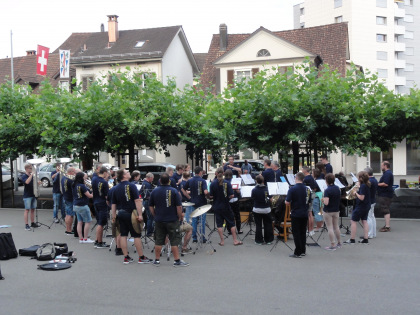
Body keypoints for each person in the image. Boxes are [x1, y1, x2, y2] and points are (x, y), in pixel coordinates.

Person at [111, 169, 152, 265]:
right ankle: (141, 257)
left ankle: (126, 257)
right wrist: (140, 214)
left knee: (123, 235)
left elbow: (113, 204)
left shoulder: (115, 188)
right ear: (124, 176)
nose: (129, 173)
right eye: (127, 172)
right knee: (136, 235)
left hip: (121, 213)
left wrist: (113, 216)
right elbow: (137, 201)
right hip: (131, 213)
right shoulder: (132, 186)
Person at [149, 173, 189, 267]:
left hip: (159, 219)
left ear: (159, 181)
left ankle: (157, 260)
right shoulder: (174, 191)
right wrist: (180, 216)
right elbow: (179, 206)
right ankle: (176, 260)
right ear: (169, 181)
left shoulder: (155, 191)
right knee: (174, 240)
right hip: (172, 219)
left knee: (158, 240)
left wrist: (155, 214)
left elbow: (150, 205)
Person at [209, 168, 243, 246]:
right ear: (223, 174)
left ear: (216, 174)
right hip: (226, 206)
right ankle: (235, 240)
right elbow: (232, 195)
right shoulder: (227, 183)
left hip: (217, 206)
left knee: (219, 224)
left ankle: (222, 241)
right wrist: (227, 197)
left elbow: (211, 196)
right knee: (231, 223)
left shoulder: (213, 184)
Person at [285, 172, 311, 258]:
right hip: (304, 213)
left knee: (296, 233)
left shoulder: (292, 189)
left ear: (296, 178)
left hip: (296, 213)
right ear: (303, 179)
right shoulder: (307, 189)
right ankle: (303, 250)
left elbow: (287, 202)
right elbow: (309, 201)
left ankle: (297, 252)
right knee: (303, 232)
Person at [181, 166, 209, 243]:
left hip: (193, 202)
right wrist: (208, 196)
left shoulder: (190, 180)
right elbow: (205, 192)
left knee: (194, 220)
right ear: (200, 172)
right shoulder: (203, 181)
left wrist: (189, 197)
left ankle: (194, 237)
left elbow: (183, 189)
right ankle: (202, 237)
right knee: (202, 221)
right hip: (202, 203)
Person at [344, 171, 371, 244]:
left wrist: (355, 193)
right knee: (364, 221)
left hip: (361, 206)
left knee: (353, 221)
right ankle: (366, 238)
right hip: (366, 205)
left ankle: (352, 239)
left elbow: (362, 197)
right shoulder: (366, 185)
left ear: (360, 178)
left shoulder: (363, 186)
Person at [72, 172, 95, 244]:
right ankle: (85, 238)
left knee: (80, 222)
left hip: (76, 205)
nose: (85, 179)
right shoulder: (82, 186)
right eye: (84, 177)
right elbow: (90, 196)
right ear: (81, 178)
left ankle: (80, 238)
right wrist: (94, 192)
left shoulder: (74, 185)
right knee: (88, 221)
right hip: (83, 205)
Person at [251, 175, 274, 245]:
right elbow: (271, 200)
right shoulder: (267, 189)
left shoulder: (254, 190)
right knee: (267, 224)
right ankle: (268, 240)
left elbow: (253, 198)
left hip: (257, 209)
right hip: (266, 209)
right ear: (263, 181)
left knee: (258, 225)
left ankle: (259, 240)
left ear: (256, 181)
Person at [322, 173, 342, 250]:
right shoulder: (337, 188)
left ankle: (332, 244)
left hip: (328, 210)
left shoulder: (327, 190)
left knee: (330, 227)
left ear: (326, 180)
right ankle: (339, 242)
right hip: (336, 209)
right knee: (336, 226)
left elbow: (326, 202)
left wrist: (323, 200)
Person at [92, 166, 110, 249]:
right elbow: (107, 196)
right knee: (101, 223)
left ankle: (97, 240)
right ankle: (99, 242)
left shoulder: (94, 179)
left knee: (99, 222)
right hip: (102, 203)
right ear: (105, 173)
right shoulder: (104, 182)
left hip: (96, 201)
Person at [224, 169, 242, 234]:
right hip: (235, 199)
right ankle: (239, 229)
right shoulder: (234, 180)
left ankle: (229, 230)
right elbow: (238, 191)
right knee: (237, 215)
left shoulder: (224, 181)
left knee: (228, 216)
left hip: (227, 200)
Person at [377, 161, 393, 232]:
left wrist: (376, 184)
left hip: (385, 195)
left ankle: (387, 226)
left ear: (385, 166)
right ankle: (387, 225)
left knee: (385, 209)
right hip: (385, 194)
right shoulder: (387, 173)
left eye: (382, 165)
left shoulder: (387, 173)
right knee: (385, 209)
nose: (381, 167)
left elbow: (385, 184)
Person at [302, 166, 318, 236]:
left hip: (309, 196)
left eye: (302, 169)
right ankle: (311, 230)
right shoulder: (311, 177)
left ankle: (309, 230)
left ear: (305, 171)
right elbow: (315, 188)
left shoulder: (306, 179)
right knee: (310, 213)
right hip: (313, 194)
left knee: (308, 213)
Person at [21, 163, 38, 231]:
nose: (32, 169)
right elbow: (27, 182)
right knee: (27, 210)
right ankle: (26, 224)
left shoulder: (33, 176)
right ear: (27, 169)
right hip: (27, 195)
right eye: (30, 168)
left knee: (33, 209)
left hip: (33, 194)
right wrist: (31, 175)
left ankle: (32, 222)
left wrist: (38, 182)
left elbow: (35, 183)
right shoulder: (24, 176)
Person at [139, 172, 155, 237]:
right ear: (149, 178)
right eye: (152, 178)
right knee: (150, 217)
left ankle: (149, 231)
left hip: (144, 201)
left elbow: (140, 193)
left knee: (149, 216)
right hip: (147, 201)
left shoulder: (144, 183)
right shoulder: (147, 184)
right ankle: (149, 232)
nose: (153, 180)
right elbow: (148, 195)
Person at [62, 167, 76, 235]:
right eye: (74, 172)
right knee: (70, 215)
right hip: (70, 198)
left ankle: (67, 229)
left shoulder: (63, 178)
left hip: (66, 197)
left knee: (67, 214)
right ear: (70, 172)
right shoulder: (70, 180)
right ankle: (69, 230)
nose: (75, 173)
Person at [365, 167, 378, 239]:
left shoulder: (370, 181)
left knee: (368, 218)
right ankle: (373, 233)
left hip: (369, 201)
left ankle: (369, 234)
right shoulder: (375, 180)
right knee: (372, 217)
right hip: (373, 200)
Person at [311, 168, 324, 232]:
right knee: (321, 211)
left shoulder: (315, 181)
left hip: (316, 196)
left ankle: (318, 227)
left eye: (312, 173)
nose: (311, 174)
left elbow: (314, 189)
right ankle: (321, 225)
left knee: (316, 212)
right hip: (321, 196)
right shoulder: (322, 180)